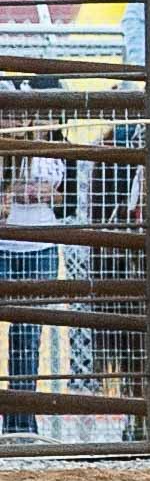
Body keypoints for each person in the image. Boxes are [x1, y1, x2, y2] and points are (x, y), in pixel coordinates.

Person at [0, 93, 64, 436]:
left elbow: (64, 196)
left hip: (40, 245)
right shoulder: (8, 150)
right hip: (6, 244)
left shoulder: (54, 150)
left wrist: (37, 192)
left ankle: (21, 421)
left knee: (27, 334)